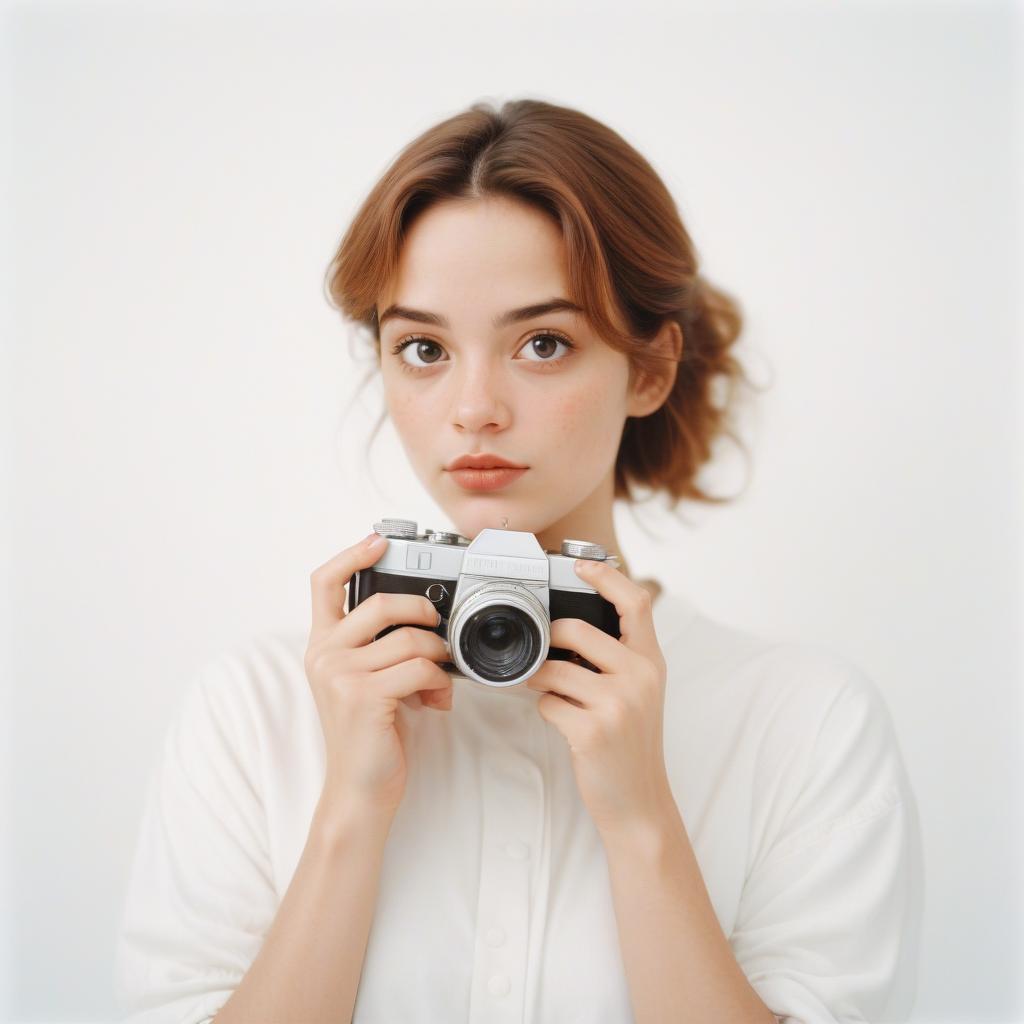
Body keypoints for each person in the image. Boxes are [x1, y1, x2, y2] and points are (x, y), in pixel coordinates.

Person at [113, 98, 923, 1024]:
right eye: (423, 348)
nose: (473, 408)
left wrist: (642, 821)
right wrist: (348, 813)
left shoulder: (805, 724)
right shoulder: (252, 712)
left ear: (651, 368)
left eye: (543, 343)